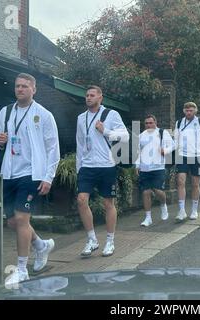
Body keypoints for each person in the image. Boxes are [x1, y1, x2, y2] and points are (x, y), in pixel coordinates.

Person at [0, 73, 60, 285]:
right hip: (10, 172)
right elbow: (0, 138)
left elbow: (53, 149)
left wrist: (48, 177)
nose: (20, 89)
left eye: (24, 86)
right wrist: (0, 140)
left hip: (32, 173)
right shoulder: (5, 112)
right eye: (17, 86)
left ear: (34, 89)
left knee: (22, 219)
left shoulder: (43, 114)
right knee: (12, 222)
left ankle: (22, 269)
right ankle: (41, 246)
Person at [76, 85, 129, 258]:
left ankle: (110, 241)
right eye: (87, 95)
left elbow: (125, 136)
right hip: (87, 166)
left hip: (107, 165)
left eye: (92, 95)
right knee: (82, 200)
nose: (88, 98)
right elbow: (80, 144)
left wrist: (105, 131)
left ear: (100, 98)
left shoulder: (110, 115)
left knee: (108, 204)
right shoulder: (81, 118)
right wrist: (79, 168)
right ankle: (92, 240)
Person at [174, 102, 200, 222]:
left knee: (195, 183)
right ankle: (181, 211)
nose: (189, 112)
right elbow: (175, 139)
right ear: (183, 111)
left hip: (197, 155)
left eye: (191, 110)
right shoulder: (179, 123)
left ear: (195, 111)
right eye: (187, 110)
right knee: (180, 181)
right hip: (182, 155)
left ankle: (194, 210)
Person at [136, 115, 175, 227]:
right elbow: (139, 152)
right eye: (146, 123)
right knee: (146, 192)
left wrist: (165, 150)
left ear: (155, 122)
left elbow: (172, 145)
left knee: (158, 190)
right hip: (144, 168)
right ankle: (148, 217)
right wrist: (137, 165)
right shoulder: (141, 136)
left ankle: (163, 204)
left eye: (150, 123)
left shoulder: (162, 133)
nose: (148, 125)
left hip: (158, 167)